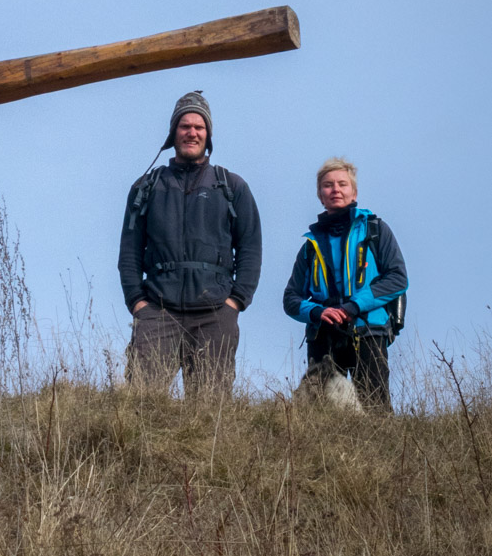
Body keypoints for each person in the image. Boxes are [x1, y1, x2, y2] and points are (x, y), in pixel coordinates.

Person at [118, 90, 261, 393]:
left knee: (211, 413)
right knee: (141, 406)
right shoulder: (147, 186)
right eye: (185, 126)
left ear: (208, 136)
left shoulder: (231, 186)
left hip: (215, 314)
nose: (192, 133)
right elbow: (129, 251)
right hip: (157, 311)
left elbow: (250, 247)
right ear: (173, 133)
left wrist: (236, 301)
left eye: (199, 127)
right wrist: (137, 302)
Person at [283, 158, 408, 410]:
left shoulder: (376, 230)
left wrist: (353, 306)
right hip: (323, 335)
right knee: (321, 413)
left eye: (342, 184)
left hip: (368, 329)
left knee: (375, 408)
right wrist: (318, 312)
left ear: (354, 192)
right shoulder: (310, 245)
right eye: (328, 185)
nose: (335, 190)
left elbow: (397, 278)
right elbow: (291, 299)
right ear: (320, 195)